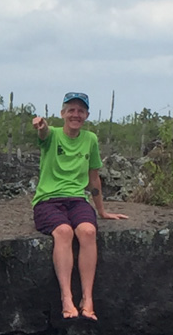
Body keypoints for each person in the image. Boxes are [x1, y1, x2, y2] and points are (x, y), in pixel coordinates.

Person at [31, 91, 127, 321]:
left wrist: (102, 211)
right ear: (63, 113)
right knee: (63, 232)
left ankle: (87, 298)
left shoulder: (90, 139)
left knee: (88, 231)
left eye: (81, 111)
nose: (76, 114)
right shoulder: (52, 135)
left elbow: (94, 178)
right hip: (48, 200)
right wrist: (41, 125)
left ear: (86, 115)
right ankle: (67, 298)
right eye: (71, 110)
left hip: (76, 200)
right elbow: (43, 133)